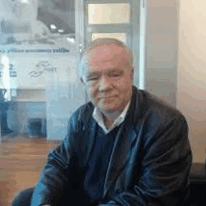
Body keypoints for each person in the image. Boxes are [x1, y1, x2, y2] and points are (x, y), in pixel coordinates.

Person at [12, 38, 192, 206]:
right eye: (93, 77)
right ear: (83, 82)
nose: (105, 86)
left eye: (114, 74)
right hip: (86, 199)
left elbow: (153, 196)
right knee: (25, 199)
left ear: (131, 75)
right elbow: (59, 163)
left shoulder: (165, 123)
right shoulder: (81, 117)